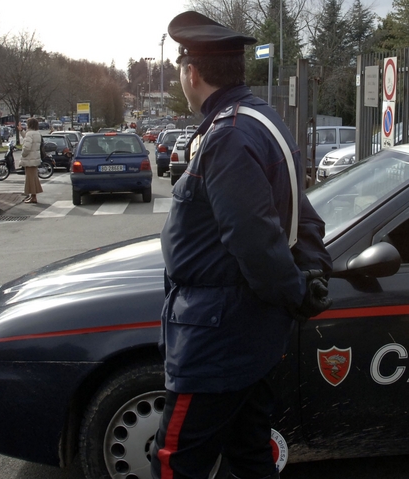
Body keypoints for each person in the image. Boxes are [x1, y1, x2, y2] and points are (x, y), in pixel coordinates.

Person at [150, 12, 333, 479]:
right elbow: (302, 214)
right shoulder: (260, 120)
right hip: (245, 336)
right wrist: (310, 273)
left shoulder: (228, 134)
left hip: (217, 338)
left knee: (174, 462)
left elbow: (255, 241)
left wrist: (296, 289)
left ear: (192, 73)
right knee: (249, 456)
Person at [17, 118, 43, 204]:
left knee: (30, 179)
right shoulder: (37, 133)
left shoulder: (29, 134)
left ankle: (33, 197)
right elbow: (28, 139)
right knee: (34, 178)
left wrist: (23, 154)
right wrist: (21, 131)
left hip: (29, 159)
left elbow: (27, 146)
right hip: (35, 159)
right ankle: (33, 196)